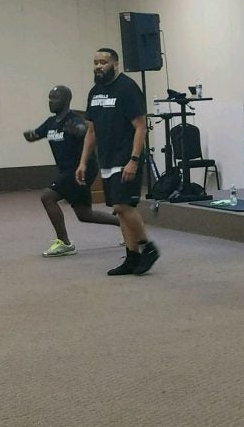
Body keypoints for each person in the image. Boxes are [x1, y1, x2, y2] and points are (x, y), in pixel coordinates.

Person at [76, 48, 159, 276]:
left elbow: (140, 126)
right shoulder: (95, 92)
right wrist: (83, 161)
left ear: (115, 64)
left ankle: (148, 248)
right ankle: (132, 257)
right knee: (120, 211)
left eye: (103, 62)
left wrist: (133, 159)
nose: (98, 66)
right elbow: (91, 130)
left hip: (125, 157)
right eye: (95, 62)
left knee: (122, 205)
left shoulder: (127, 88)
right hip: (107, 159)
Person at [24, 85, 120, 256]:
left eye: (55, 98)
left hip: (81, 169)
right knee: (85, 214)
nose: (51, 101)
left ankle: (64, 243)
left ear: (67, 101)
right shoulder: (51, 122)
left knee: (47, 197)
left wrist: (80, 131)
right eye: (49, 97)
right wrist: (29, 135)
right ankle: (127, 224)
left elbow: (87, 132)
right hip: (66, 170)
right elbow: (36, 135)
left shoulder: (73, 120)